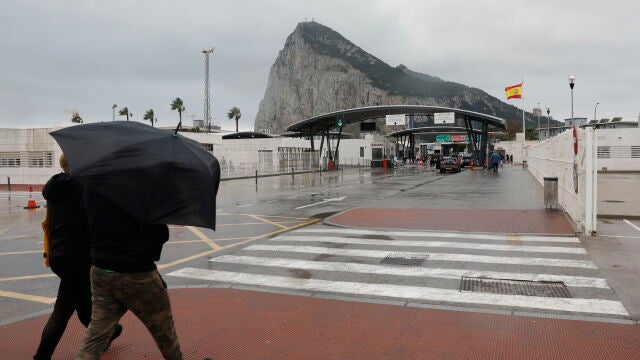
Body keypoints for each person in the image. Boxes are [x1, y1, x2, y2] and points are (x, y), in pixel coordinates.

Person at [75, 188, 182, 360]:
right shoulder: (142, 192)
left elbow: (83, 225)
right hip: (137, 274)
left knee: (97, 333)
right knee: (163, 330)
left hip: (102, 270)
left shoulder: (92, 188)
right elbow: (160, 234)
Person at [34, 155, 121, 360]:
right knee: (62, 311)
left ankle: (111, 333)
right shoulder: (85, 188)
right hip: (79, 257)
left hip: (58, 256)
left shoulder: (54, 186)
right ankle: (41, 356)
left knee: (82, 303)